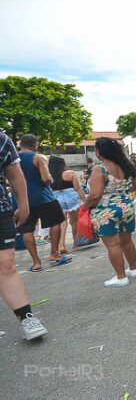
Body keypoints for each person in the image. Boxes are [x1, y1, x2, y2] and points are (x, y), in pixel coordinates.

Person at [0, 132, 49, 340]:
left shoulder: (2, 140)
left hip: (1, 210)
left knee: (6, 265)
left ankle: (27, 318)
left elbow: (14, 174)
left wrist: (24, 204)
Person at [84, 137, 136, 287]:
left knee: (113, 244)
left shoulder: (100, 169)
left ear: (99, 152)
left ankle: (121, 277)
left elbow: (95, 195)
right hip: (126, 207)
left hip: (106, 211)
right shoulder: (126, 166)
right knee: (127, 241)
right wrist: (123, 191)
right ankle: (133, 269)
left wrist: (85, 206)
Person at [16, 135, 68, 271]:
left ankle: (36, 263)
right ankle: (54, 255)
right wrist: (51, 179)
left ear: (21, 144)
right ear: (35, 144)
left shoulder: (13, 159)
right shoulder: (38, 157)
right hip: (44, 197)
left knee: (27, 230)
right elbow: (46, 178)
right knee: (55, 222)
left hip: (23, 200)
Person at [48, 155, 86, 250]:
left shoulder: (48, 176)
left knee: (62, 222)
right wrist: (85, 200)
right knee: (74, 221)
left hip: (57, 198)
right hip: (71, 197)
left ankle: (62, 246)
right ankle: (75, 243)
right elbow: (77, 188)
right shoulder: (70, 173)